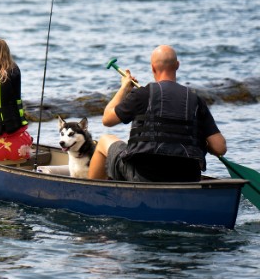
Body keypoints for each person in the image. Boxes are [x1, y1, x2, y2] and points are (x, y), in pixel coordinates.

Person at [88, 45, 227, 182]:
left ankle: (94, 194)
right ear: (177, 65)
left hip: (144, 176)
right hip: (188, 177)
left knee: (104, 141)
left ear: (153, 68)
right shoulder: (195, 100)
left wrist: (124, 88)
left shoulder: (142, 94)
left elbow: (107, 119)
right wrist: (197, 141)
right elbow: (220, 148)